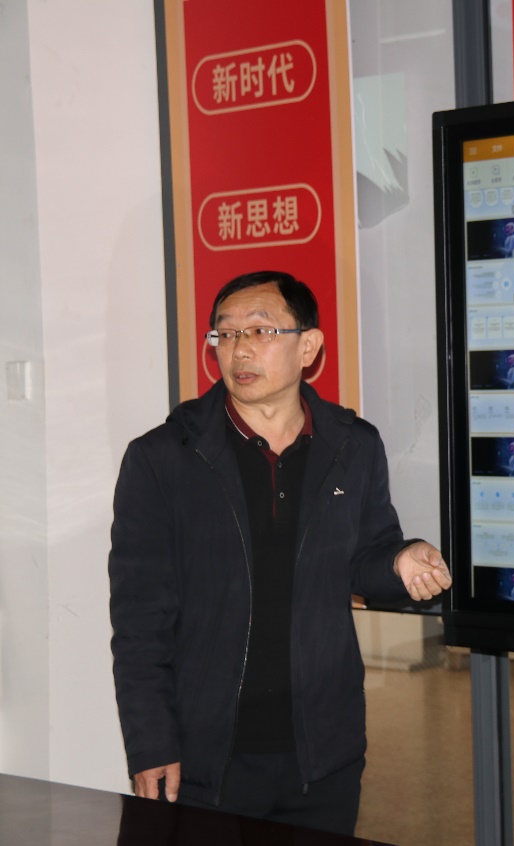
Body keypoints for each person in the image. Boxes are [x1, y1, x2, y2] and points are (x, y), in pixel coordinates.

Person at [108, 270, 451, 835]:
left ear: (308, 347)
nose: (240, 349)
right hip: (204, 758)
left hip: (323, 754)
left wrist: (400, 561)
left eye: (260, 331)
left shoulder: (353, 445)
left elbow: (367, 556)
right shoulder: (163, 459)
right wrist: (150, 742)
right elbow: (139, 619)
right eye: (225, 334)